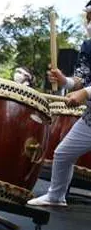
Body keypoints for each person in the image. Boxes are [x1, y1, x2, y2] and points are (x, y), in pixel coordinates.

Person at [27, 32, 91, 206]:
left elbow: (85, 89)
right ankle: (56, 196)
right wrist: (65, 81)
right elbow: (82, 79)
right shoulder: (88, 45)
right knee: (63, 154)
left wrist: (86, 93)